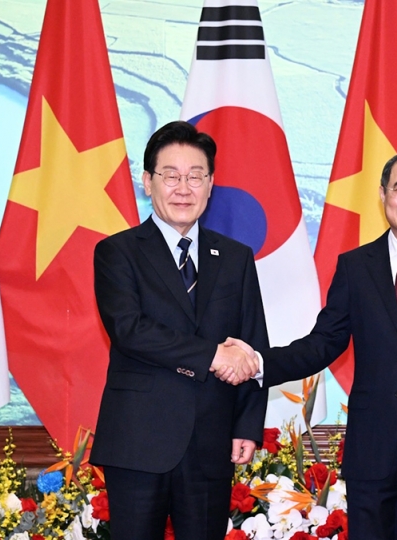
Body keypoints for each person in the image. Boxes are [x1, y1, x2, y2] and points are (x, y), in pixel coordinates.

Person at [230, 149, 397, 539]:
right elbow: (323, 344)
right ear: (383, 195)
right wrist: (258, 362)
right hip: (371, 448)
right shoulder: (356, 267)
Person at [90, 121, 265, 540]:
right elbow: (130, 330)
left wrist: (247, 424)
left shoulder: (236, 257)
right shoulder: (117, 252)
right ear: (147, 181)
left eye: (195, 176)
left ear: (210, 185)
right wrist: (211, 355)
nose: (182, 188)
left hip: (211, 441)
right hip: (138, 440)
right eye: (170, 175)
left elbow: (251, 342)